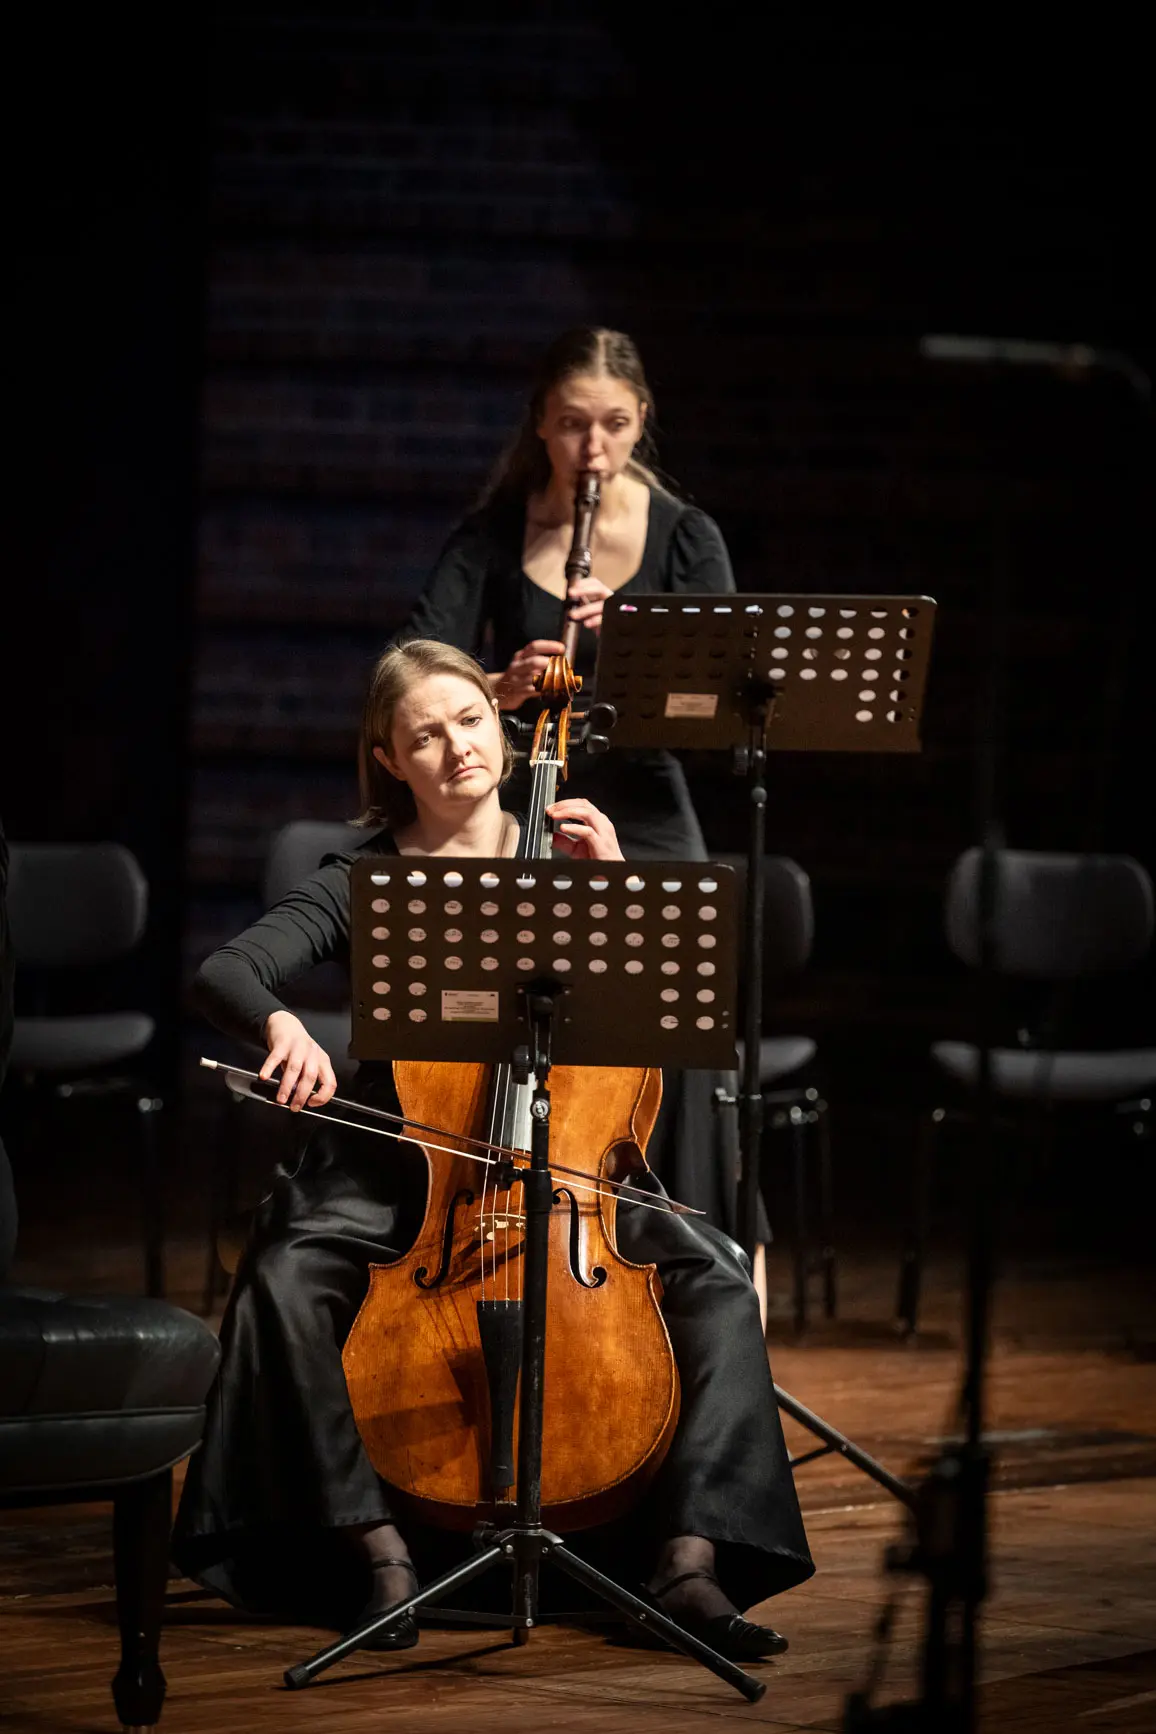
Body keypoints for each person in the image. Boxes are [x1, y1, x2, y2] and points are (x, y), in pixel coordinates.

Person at [173, 639, 812, 1662]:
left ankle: (687, 1562)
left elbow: (661, 1029)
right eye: (425, 735)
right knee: (287, 1274)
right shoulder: (365, 878)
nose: (457, 747)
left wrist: (617, 897)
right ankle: (374, 1548)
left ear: (503, 729)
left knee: (721, 1277)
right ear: (389, 760)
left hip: (568, 1172)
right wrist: (282, 1025)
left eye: (470, 720)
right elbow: (227, 971)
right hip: (404, 1170)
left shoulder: (573, 853)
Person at [394, 326, 767, 1271]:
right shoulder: (493, 532)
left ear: (642, 420)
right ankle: (514, 1246)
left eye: (613, 425)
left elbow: (726, 714)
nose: (592, 450)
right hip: (525, 801)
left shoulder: (686, 537)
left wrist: (641, 645)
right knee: (508, 1014)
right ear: (540, 424)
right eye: (571, 425)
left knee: (680, 1015)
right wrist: (496, 688)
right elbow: (411, 674)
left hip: (645, 801)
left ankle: (697, 1258)